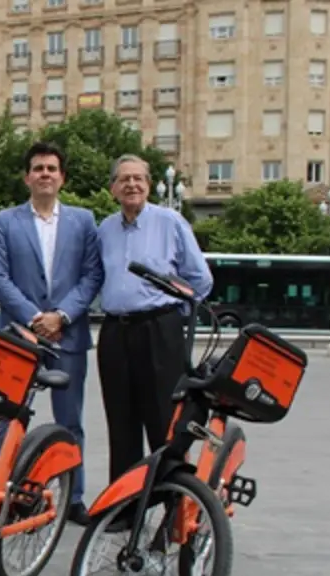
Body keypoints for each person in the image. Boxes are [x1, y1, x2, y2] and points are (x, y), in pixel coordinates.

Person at [0, 141, 103, 525]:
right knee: (11, 419)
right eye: (38, 168)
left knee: (70, 423)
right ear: (27, 177)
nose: (45, 174)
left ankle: (73, 497)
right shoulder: (5, 221)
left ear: (62, 177)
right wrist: (36, 318)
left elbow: (92, 276)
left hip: (67, 336)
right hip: (19, 336)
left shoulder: (84, 221)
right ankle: (5, 492)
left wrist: (62, 316)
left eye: (52, 168)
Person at [96, 154, 213, 483]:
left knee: (165, 421)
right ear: (113, 188)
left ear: (149, 186)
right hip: (116, 332)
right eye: (124, 179)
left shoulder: (170, 222)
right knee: (121, 422)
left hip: (160, 330)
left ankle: (172, 502)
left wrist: (175, 318)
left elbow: (200, 280)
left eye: (139, 178)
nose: (132, 184)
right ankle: (125, 507)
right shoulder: (104, 229)